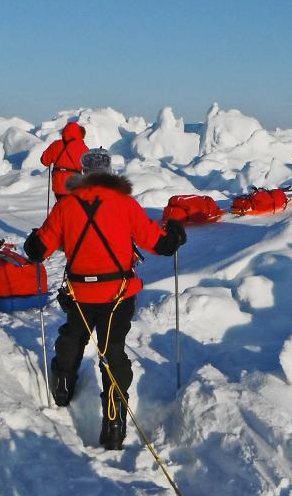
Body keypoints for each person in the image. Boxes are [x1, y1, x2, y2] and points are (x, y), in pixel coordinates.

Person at [24, 148, 187, 450]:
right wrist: (176, 233)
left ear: (82, 174)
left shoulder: (66, 206)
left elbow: (37, 250)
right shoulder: (125, 204)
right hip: (117, 295)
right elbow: (161, 244)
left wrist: (35, 239)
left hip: (79, 294)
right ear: (110, 173)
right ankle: (114, 424)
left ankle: (62, 386)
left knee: (73, 337)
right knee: (112, 353)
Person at [40, 120, 89, 200]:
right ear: (80, 133)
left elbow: (44, 160)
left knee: (61, 207)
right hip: (75, 185)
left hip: (58, 186)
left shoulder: (56, 145)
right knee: (73, 209)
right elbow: (89, 167)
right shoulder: (83, 148)